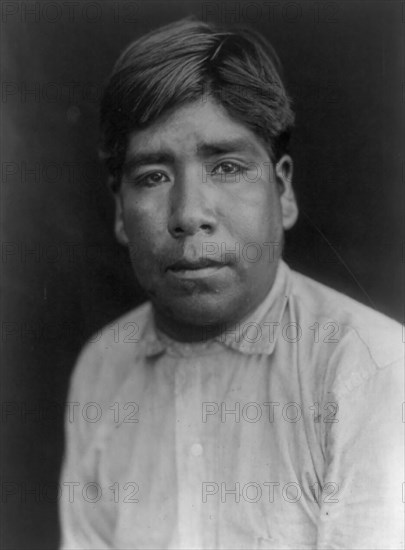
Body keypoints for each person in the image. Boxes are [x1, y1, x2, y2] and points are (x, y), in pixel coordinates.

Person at [59, 17, 404, 549]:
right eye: (154, 175)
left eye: (225, 166)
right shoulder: (103, 369)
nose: (189, 214)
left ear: (283, 191)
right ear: (122, 215)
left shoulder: (370, 370)